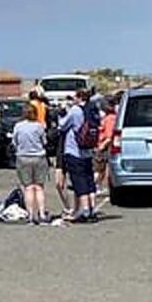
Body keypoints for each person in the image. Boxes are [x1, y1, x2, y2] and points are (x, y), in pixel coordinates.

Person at [59, 90, 98, 221]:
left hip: (75, 150)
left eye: (74, 97)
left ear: (80, 97)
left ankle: (85, 211)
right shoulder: (92, 108)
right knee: (89, 181)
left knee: (80, 183)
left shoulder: (75, 110)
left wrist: (62, 113)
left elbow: (63, 125)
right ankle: (92, 209)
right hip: (88, 150)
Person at [12, 103, 49, 224]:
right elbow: (44, 141)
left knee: (28, 188)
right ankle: (42, 213)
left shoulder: (18, 126)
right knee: (39, 187)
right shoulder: (39, 126)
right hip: (38, 157)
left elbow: (15, 142)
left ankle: (31, 215)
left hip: (23, 157)